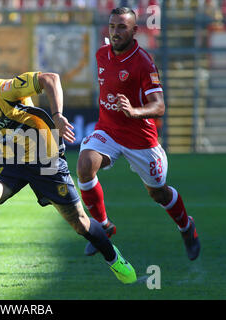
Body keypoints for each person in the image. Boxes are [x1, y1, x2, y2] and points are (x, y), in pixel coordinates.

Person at [0, 55, 137, 289]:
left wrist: (58, 116)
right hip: (8, 159)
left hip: (45, 157)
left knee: (80, 223)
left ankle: (114, 257)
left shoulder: (3, 90)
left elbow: (50, 79)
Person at [76, 7, 200, 260]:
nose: (115, 32)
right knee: (85, 165)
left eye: (122, 27)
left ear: (134, 31)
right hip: (108, 130)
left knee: (158, 193)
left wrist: (134, 111)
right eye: (112, 26)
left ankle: (187, 227)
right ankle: (103, 226)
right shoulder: (102, 54)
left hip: (140, 139)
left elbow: (159, 106)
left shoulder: (143, 62)